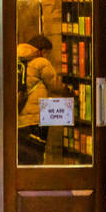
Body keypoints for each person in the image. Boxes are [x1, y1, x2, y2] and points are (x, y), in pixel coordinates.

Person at [16, 34, 71, 165]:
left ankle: (25, 181)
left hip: (20, 117)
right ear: (40, 50)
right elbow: (54, 85)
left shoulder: (18, 60)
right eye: (46, 52)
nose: (47, 55)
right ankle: (35, 181)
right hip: (36, 118)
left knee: (24, 155)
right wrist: (70, 92)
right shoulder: (41, 63)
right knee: (37, 153)